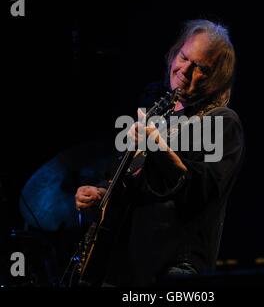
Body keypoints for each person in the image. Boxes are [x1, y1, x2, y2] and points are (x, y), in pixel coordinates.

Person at [75, 19, 245, 286]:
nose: (184, 70)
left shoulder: (222, 122)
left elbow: (204, 189)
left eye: (199, 67)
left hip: (173, 268)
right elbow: (130, 181)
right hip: (122, 266)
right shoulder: (155, 110)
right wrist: (102, 193)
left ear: (216, 78)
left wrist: (159, 148)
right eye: (183, 57)